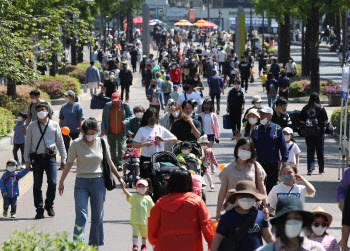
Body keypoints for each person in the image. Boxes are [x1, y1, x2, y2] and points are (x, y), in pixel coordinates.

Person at [58, 118, 125, 247]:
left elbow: (109, 162)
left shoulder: (102, 142)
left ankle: (95, 244)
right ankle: (78, 245)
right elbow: (69, 163)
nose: (90, 135)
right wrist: (61, 181)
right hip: (81, 182)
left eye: (93, 132)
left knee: (97, 216)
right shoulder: (76, 144)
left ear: (98, 132)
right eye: (87, 133)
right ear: (83, 132)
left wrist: (119, 178)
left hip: (98, 182)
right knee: (81, 214)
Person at [148, 170, 214, 251]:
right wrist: (212, 244)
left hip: (165, 245)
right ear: (189, 183)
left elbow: (152, 228)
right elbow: (207, 225)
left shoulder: (161, 203)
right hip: (191, 246)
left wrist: (155, 242)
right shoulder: (197, 201)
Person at [24, 102, 67, 219]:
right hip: (37, 159)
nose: (40, 112)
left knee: (53, 183)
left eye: (43, 110)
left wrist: (64, 158)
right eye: (38, 111)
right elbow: (27, 144)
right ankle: (39, 209)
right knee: (37, 185)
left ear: (48, 111)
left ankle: (49, 204)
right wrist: (26, 160)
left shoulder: (54, 125)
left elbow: (60, 142)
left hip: (51, 158)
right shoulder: (31, 126)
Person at [211, 180, 275, 251]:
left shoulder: (260, 215)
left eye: (250, 196)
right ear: (236, 197)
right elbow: (218, 239)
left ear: (255, 198)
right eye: (242, 195)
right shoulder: (227, 217)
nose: (246, 198)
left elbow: (268, 237)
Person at [217, 137, 268, 220]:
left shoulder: (256, 167)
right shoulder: (227, 169)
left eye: (248, 150)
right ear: (237, 149)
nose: (246, 151)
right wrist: (218, 211)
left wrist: (266, 205)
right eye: (243, 148)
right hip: (232, 209)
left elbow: (262, 187)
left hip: (252, 209)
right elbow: (223, 190)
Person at [257, 196, 325, 251]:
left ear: (302, 222)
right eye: (287, 219)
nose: (292, 222)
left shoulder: (317, 249)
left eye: (296, 218)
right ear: (279, 223)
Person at [251, 107, 288, 194]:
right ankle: (261, 204)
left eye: (263, 114)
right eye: (260, 114)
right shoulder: (256, 130)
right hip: (259, 163)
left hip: (273, 162)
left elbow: (283, 145)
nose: (261, 116)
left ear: (270, 116)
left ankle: (270, 205)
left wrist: (285, 161)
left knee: (272, 186)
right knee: (260, 185)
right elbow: (252, 147)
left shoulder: (277, 128)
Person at [133, 108, 178, 178]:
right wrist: (144, 144)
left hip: (159, 157)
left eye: (155, 117)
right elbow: (134, 144)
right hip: (146, 158)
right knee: (146, 179)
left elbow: (175, 139)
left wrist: (163, 140)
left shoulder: (161, 128)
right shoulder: (142, 130)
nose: (153, 119)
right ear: (147, 118)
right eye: (151, 117)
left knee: (158, 178)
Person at [101, 92, 132, 171]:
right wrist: (103, 128)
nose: (114, 102)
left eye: (116, 100)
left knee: (121, 148)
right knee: (112, 148)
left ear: (120, 99)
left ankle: (120, 163)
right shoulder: (108, 106)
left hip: (121, 131)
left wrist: (126, 121)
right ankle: (114, 163)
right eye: (113, 100)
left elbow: (130, 115)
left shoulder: (125, 105)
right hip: (110, 131)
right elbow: (104, 118)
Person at [121, 179, 154, 251]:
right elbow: (128, 194)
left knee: (144, 235)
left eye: (143, 186)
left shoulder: (149, 198)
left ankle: (144, 245)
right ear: (136, 187)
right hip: (135, 220)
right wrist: (123, 189)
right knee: (135, 233)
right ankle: (135, 246)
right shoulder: (134, 197)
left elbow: (153, 208)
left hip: (145, 221)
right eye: (139, 186)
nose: (141, 188)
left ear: (147, 187)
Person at [300, 93, 328, 175]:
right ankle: (321, 169)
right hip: (319, 132)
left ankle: (310, 168)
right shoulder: (321, 108)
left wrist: (308, 124)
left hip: (308, 133)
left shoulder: (305, 108)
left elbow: (301, 120)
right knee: (320, 151)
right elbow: (326, 120)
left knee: (310, 151)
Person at [58, 90, 84, 170]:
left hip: (76, 130)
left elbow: (81, 118)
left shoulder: (78, 106)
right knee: (65, 147)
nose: (65, 98)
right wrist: (58, 129)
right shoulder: (64, 106)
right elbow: (61, 119)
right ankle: (65, 163)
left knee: (78, 147)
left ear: (72, 97)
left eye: (67, 96)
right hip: (65, 130)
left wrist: (81, 127)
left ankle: (80, 163)